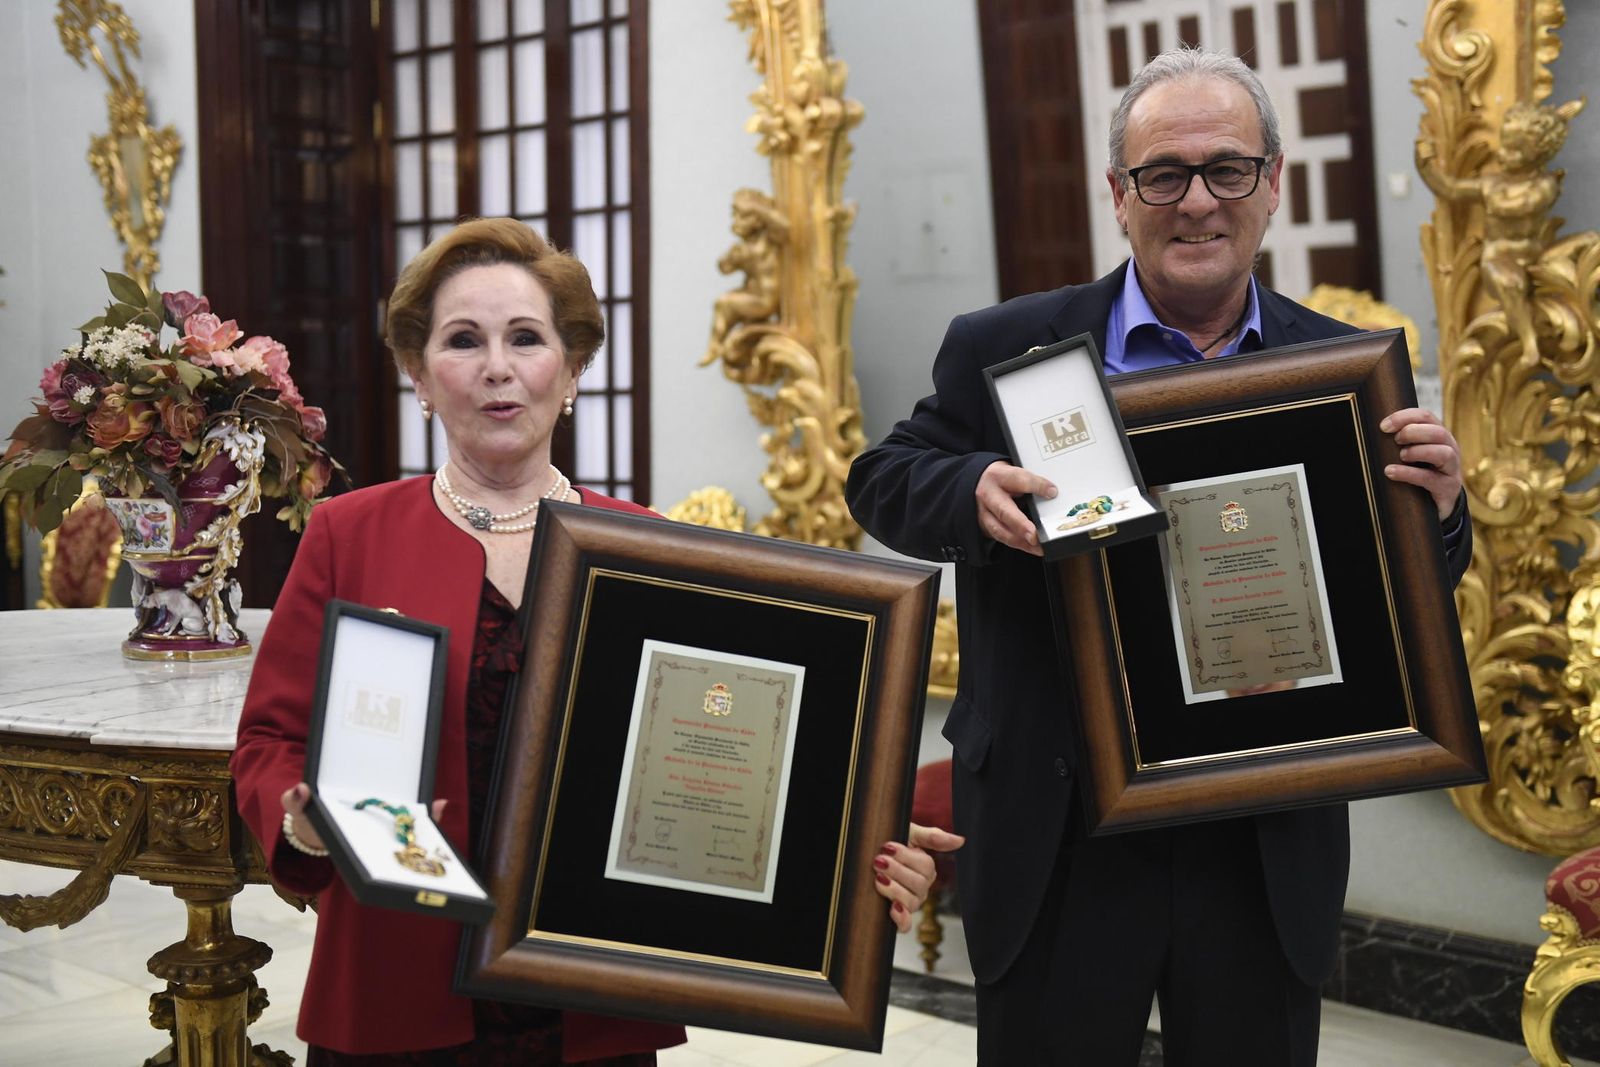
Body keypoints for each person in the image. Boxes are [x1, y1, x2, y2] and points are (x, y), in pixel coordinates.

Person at [845, 48, 1472, 1067]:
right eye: (1162, 175)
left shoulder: (1341, 370)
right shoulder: (1006, 345)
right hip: (1060, 833)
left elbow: (1391, 602)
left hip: (1258, 834)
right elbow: (882, 474)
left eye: (1227, 170)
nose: (1196, 202)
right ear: (1117, 195)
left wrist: (1438, 515)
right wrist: (966, 488)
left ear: (1272, 185)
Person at [232, 217, 958, 1064]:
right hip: (397, 977)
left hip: (594, 990)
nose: (498, 367)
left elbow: (742, 756)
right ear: (418, 374)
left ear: (571, 368)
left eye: (527, 338)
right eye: (463, 340)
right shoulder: (348, 534)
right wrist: (308, 821)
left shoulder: (648, 550)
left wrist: (862, 844)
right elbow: (269, 740)